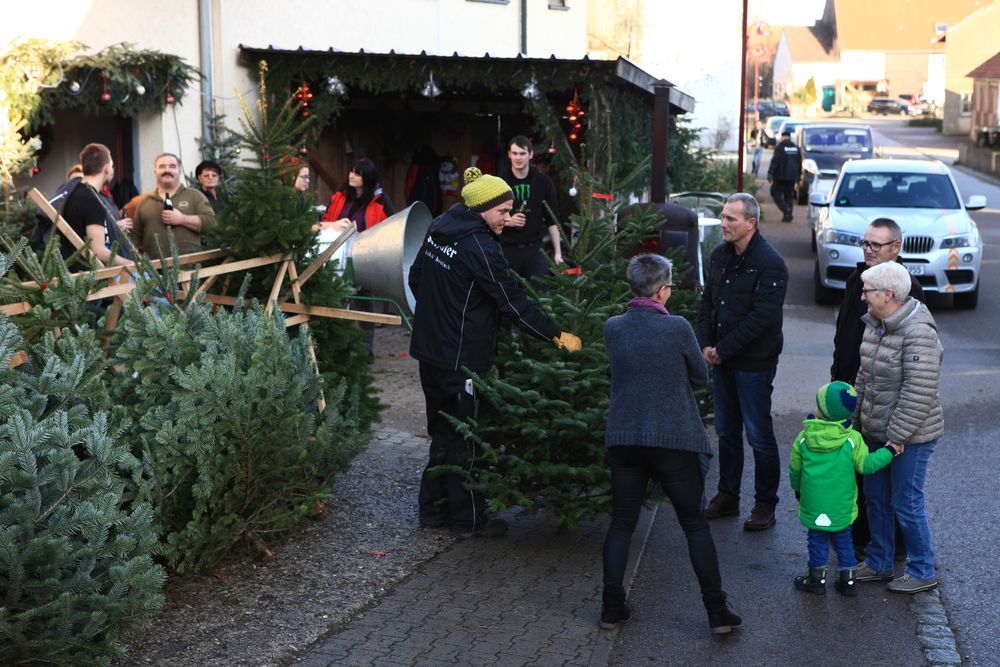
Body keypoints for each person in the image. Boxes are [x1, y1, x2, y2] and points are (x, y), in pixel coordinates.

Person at [408, 167, 581, 540]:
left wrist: (440, 314)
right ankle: (468, 519)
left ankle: (431, 512)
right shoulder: (480, 246)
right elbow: (512, 302)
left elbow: (416, 278)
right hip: (461, 360)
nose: (508, 218)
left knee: (441, 431)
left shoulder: (441, 226)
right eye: (503, 211)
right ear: (483, 207)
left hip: (429, 352)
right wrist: (553, 334)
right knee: (466, 436)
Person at [601, 254, 741, 634]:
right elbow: (699, 376)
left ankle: (611, 609)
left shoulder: (613, 327)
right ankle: (717, 613)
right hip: (673, 440)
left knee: (621, 524)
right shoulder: (677, 327)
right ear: (662, 291)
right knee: (694, 526)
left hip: (625, 440)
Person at [830, 218, 925, 561]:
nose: (868, 250)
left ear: (896, 248)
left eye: (876, 245)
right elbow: (844, 337)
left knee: (888, 484)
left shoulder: (906, 287)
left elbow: (911, 361)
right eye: (865, 243)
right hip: (851, 391)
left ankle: (895, 552)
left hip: (884, 400)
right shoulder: (858, 279)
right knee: (855, 470)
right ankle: (861, 538)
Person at [697, 193, 788, 531]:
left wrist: (723, 349)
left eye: (731, 219)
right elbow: (708, 302)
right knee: (726, 432)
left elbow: (762, 318)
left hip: (753, 362)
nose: (723, 223)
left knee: (758, 435)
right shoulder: (720, 256)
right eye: (723, 217)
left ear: (751, 223)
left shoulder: (770, 263)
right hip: (722, 359)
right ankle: (728, 496)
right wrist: (706, 342)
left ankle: (765, 504)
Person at [852, 261, 943, 594]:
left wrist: (896, 438)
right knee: (876, 498)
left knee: (906, 501)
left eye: (867, 291)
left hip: (911, 436)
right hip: (876, 430)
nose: (862, 297)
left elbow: (918, 392)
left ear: (887, 294)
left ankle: (921, 569)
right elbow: (864, 375)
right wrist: (853, 418)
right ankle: (879, 561)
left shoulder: (919, 332)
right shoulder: (876, 323)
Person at [789, 381, 899, 597]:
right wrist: (890, 451)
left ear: (822, 410)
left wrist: (798, 491)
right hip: (842, 503)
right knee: (843, 539)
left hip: (813, 500)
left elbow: (795, 469)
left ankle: (816, 578)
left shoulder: (804, 437)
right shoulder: (852, 439)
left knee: (817, 538)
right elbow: (866, 465)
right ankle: (847, 580)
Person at [499, 136, 562, 285]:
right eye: (514, 153)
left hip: (535, 249)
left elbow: (552, 219)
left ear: (530, 155)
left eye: (522, 153)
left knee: (540, 297)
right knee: (507, 296)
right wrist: (508, 221)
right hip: (507, 249)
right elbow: (488, 217)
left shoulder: (543, 182)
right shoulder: (500, 182)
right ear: (509, 154)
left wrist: (558, 253)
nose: (518, 157)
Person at [59, 143, 134, 268]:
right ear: (106, 168)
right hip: (87, 279)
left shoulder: (75, 192)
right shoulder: (92, 200)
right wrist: (134, 265)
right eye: (112, 166)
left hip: (72, 273)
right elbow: (99, 252)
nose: (112, 170)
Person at [132, 153, 216, 256]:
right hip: (154, 270)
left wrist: (182, 219)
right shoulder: (144, 202)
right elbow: (135, 239)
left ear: (179, 171)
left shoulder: (195, 196)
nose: (167, 170)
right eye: (162, 166)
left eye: (172, 166)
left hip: (189, 268)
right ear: (155, 172)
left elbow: (211, 223)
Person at [321, 157, 394, 232]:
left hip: (366, 242)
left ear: (367, 178)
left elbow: (390, 228)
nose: (351, 176)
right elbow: (326, 220)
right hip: (336, 241)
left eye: (357, 174)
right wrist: (334, 226)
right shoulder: (340, 195)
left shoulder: (381, 200)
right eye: (351, 172)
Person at [767, 129, 802, 222]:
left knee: (775, 193)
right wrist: (799, 176)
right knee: (788, 195)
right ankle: (788, 216)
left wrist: (770, 172)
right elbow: (799, 163)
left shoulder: (780, 147)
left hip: (780, 176)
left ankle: (786, 209)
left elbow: (775, 161)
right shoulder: (796, 148)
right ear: (789, 137)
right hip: (792, 177)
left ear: (783, 137)